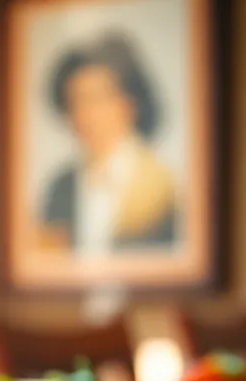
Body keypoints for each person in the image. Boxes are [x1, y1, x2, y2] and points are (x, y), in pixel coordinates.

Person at [39, 32, 177, 253]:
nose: (86, 114)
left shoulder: (163, 185)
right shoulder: (60, 187)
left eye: (97, 98)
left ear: (130, 103)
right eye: (76, 101)